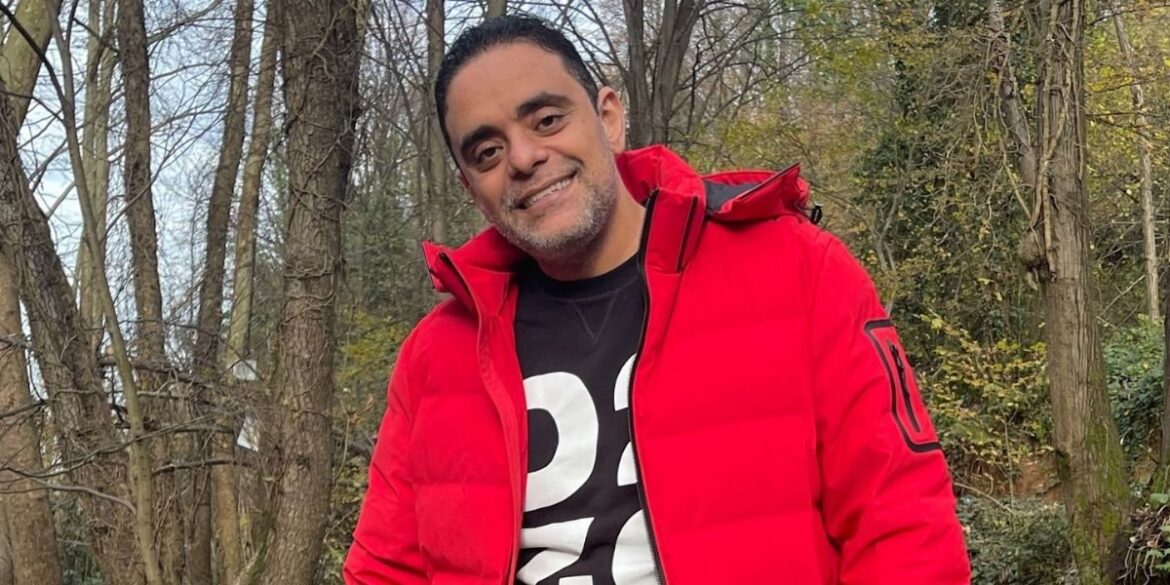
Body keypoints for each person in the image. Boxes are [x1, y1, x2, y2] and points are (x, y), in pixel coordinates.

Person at [344, 14, 970, 585]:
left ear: (609, 117)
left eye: (548, 120)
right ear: (470, 188)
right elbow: (386, 571)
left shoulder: (797, 271)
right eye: (488, 152)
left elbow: (904, 527)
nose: (525, 158)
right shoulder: (436, 358)